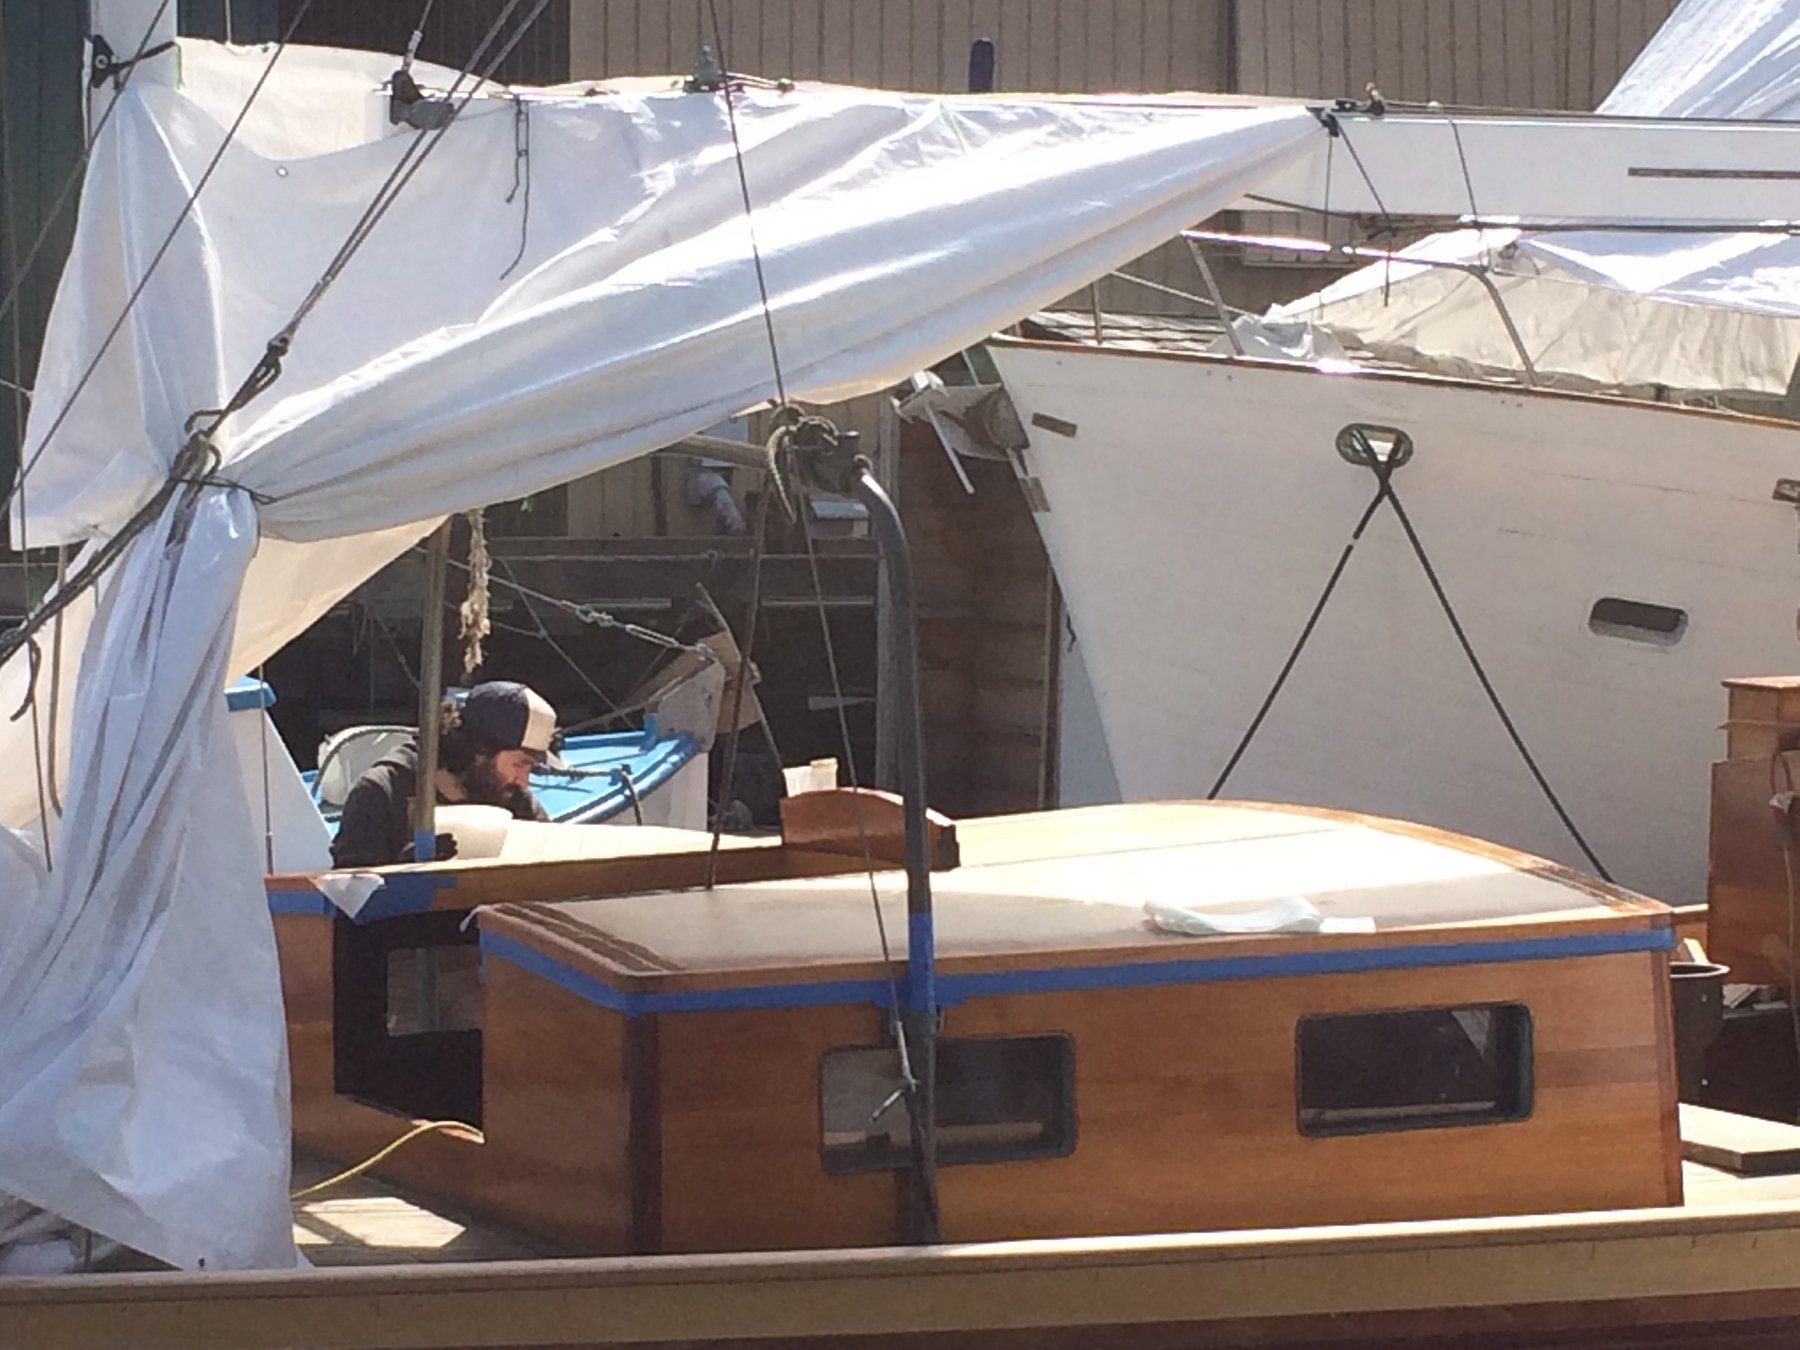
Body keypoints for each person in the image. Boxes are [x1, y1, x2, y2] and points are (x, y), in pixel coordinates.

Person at [330, 680, 562, 868]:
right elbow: (347, 897)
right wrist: (399, 872)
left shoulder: (514, 797)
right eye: (519, 764)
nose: (523, 780)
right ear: (481, 750)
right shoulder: (383, 792)